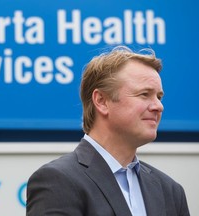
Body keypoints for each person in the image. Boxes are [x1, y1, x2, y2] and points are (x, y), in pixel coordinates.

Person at [26, 46, 190, 216]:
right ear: (102, 101)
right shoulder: (58, 180)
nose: (159, 106)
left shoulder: (170, 191)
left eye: (159, 97)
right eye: (144, 94)